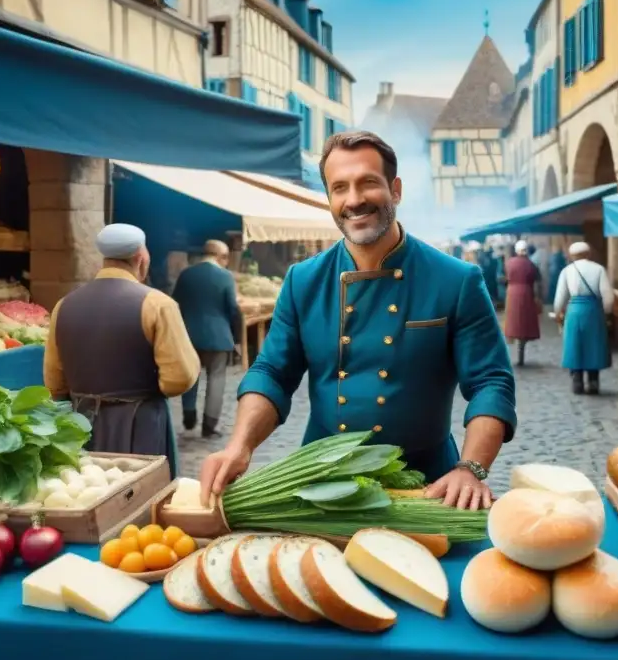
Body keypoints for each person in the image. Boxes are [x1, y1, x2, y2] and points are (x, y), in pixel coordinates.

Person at [199, 130, 516, 510]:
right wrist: (240, 445)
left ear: (395, 190)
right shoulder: (304, 280)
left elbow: (490, 381)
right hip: (321, 480)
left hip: (428, 484)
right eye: (339, 188)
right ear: (329, 198)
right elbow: (272, 372)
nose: (354, 200)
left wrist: (471, 468)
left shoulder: (456, 279)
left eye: (368, 183)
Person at [43, 223, 199, 477]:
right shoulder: (158, 304)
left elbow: (54, 381)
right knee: (141, 498)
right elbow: (179, 379)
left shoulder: (64, 305)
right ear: (141, 257)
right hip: (141, 423)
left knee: (90, 492)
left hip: (82, 424)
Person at [172, 240, 242, 437]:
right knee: (217, 378)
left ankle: (189, 415)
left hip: (189, 335)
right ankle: (209, 424)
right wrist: (235, 336)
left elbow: (175, 302)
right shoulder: (225, 277)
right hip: (219, 336)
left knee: (191, 375)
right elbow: (232, 308)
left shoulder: (186, 274)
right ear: (221, 257)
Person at [553, 242, 614, 395]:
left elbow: (560, 298)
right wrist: (606, 312)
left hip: (574, 311)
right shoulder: (599, 269)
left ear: (572, 255)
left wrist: (558, 313)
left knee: (574, 344)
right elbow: (608, 297)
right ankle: (594, 381)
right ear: (589, 253)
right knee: (594, 344)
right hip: (593, 311)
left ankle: (577, 381)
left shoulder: (567, 271)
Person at [504, 240, 542, 366]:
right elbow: (538, 281)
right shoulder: (531, 264)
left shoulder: (509, 263)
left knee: (514, 321)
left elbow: (505, 276)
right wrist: (538, 298)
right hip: (526, 292)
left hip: (512, 292)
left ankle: (515, 343)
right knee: (524, 323)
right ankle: (521, 347)